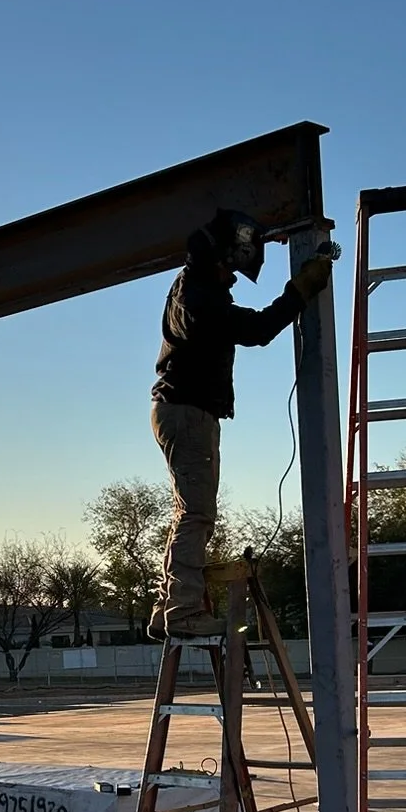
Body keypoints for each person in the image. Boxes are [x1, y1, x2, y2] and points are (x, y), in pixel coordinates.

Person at [149, 210, 332, 639]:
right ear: (220, 257)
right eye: (231, 267)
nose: (233, 277)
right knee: (196, 514)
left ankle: (169, 607)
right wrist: (299, 292)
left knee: (188, 513)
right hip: (188, 412)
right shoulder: (200, 298)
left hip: (181, 411)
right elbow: (255, 329)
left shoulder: (192, 286)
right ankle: (181, 612)